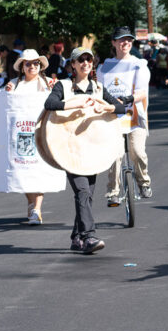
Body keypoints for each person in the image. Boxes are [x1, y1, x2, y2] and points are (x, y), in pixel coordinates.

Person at [44, 47, 126, 254]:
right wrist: (74, 104)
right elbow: (50, 104)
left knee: (87, 194)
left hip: (92, 149)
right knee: (82, 191)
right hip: (68, 148)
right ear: (72, 64)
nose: (85, 63)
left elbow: (121, 108)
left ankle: (76, 237)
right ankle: (89, 236)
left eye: (89, 59)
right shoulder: (63, 86)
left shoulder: (98, 88)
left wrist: (104, 107)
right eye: (81, 60)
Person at [97, 27, 153, 203]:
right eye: (121, 40)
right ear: (114, 43)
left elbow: (142, 92)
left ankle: (143, 182)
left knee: (137, 152)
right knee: (115, 155)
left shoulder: (139, 64)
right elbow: (99, 91)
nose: (125, 43)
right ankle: (113, 192)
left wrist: (129, 98)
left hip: (134, 117)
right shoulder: (104, 67)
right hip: (112, 119)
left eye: (128, 40)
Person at [2, 49, 54, 224]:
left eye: (36, 63)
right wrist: (8, 92)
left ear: (40, 66)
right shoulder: (15, 84)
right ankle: (32, 205)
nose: (32, 66)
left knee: (39, 171)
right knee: (23, 172)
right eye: (28, 63)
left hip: (41, 134)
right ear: (22, 66)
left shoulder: (48, 84)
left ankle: (37, 209)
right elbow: (7, 109)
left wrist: (55, 91)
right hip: (21, 136)